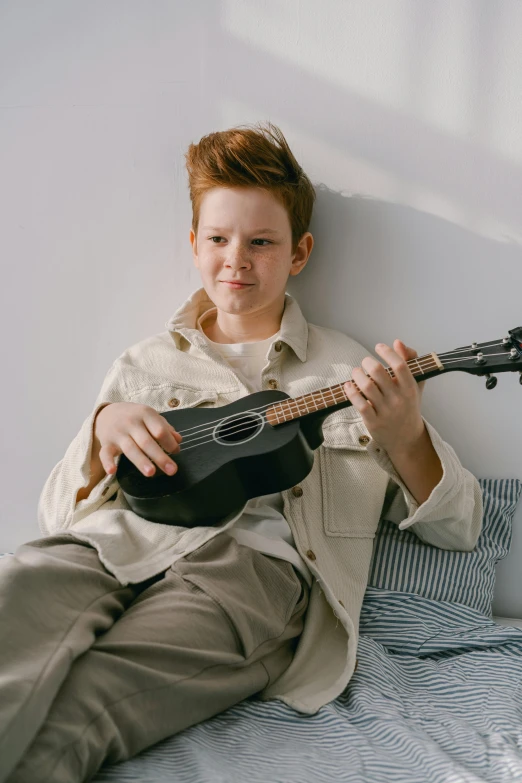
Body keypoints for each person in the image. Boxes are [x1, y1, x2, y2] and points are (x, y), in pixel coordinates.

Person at [0, 121, 483, 783]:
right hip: (116, 542)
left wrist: (406, 438)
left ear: (299, 251)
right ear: (194, 245)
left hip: (251, 576)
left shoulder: (350, 371)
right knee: (16, 594)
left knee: (92, 699)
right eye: (220, 239)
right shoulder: (143, 363)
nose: (238, 260)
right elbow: (59, 515)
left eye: (262, 242)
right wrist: (100, 429)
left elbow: (463, 527)